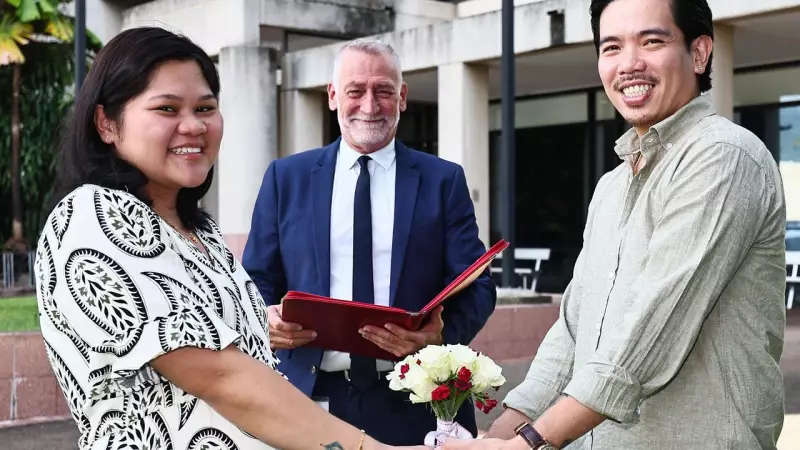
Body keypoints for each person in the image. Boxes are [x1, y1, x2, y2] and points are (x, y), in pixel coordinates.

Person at [34, 26, 427, 450]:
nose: (193, 126)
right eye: (167, 108)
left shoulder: (201, 232)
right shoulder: (94, 215)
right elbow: (222, 376)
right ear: (106, 124)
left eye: (205, 107)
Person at [445, 0, 787, 449]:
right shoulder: (611, 186)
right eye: (611, 47)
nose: (629, 64)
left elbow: (649, 333)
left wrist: (528, 443)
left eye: (651, 41)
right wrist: (498, 436)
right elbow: (571, 333)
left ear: (700, 53)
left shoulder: (723, 157)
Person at [241, 38, 497, 446]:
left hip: (416, 399)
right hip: (307, 399)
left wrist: (439, 335)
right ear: (332, 96)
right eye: (355, 91)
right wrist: (263, 321)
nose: (370, 105)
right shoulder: (285, 178)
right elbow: (255, 281)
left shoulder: (443, 181)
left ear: (403, 97)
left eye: (383, 91)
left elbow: (477, 285)